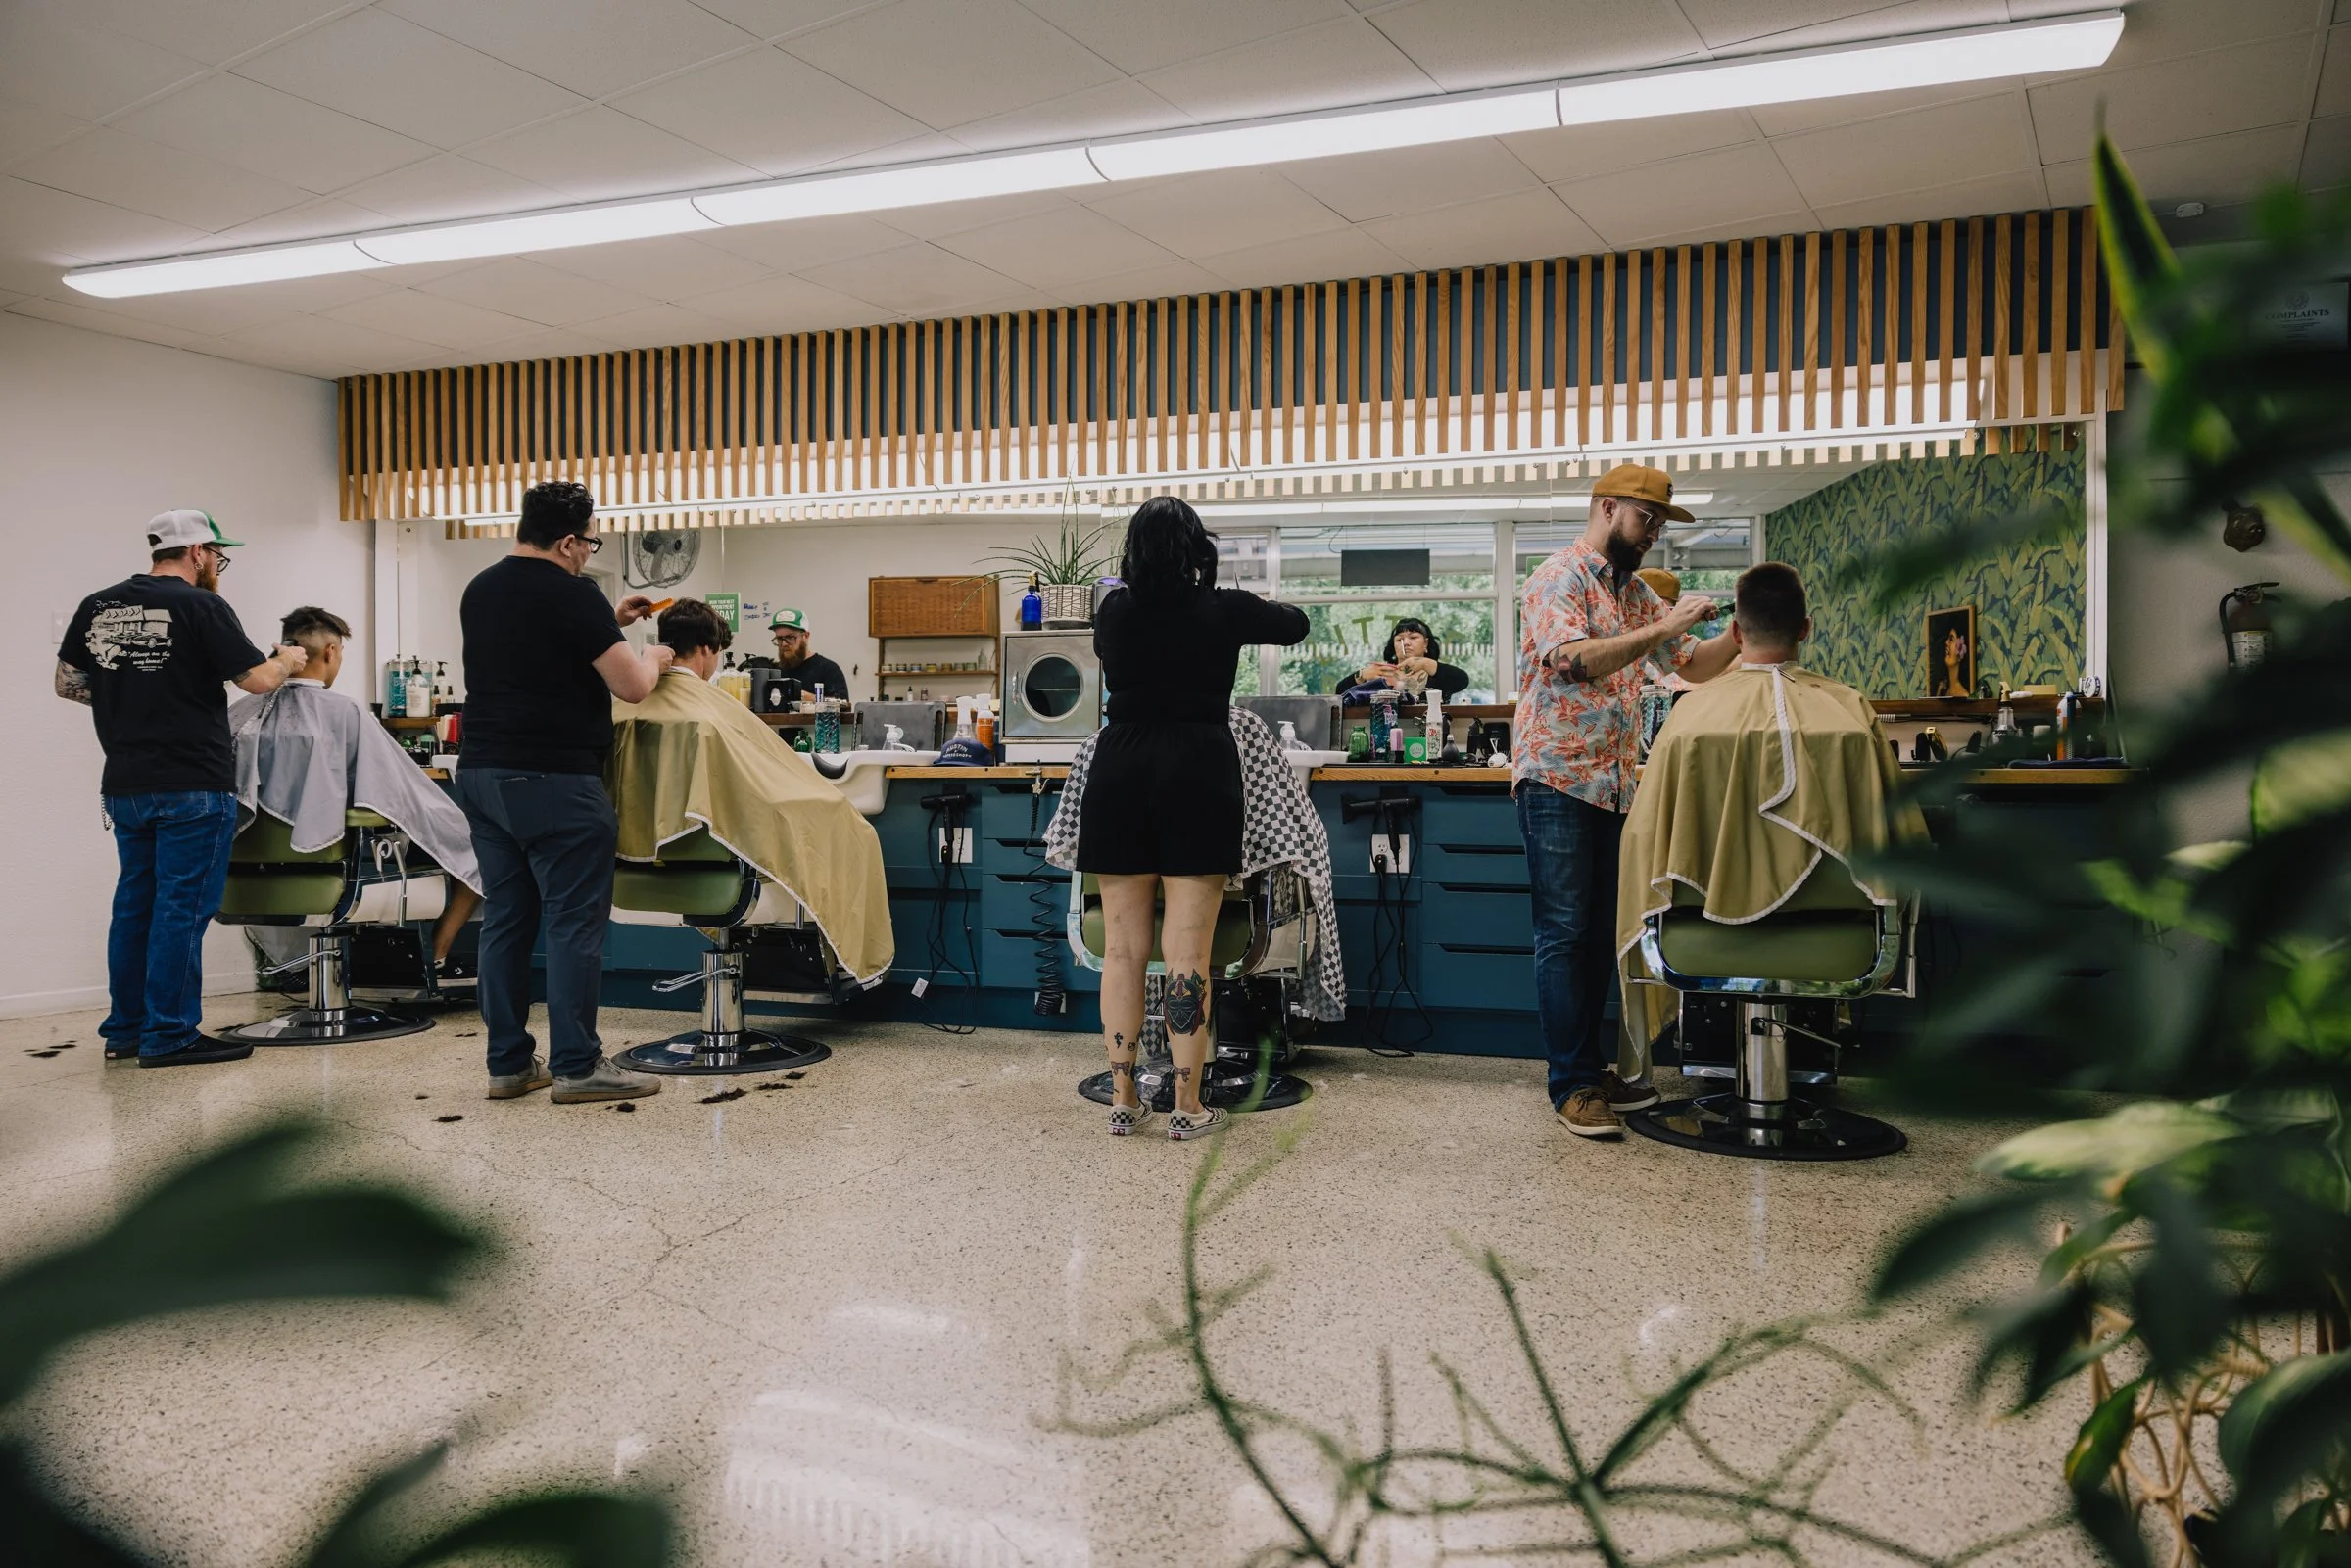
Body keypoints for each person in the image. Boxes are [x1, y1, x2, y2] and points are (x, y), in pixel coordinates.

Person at [1513, 463, 1740, 1140]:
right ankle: (1572, 1084)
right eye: (1647, 519)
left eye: (1662, 524)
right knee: (1563, 935)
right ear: (1608, 508)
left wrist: (1740, 629)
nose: (1654, 534)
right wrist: (1667, 625)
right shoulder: (1560, 576)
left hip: (1613, 783)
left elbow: (1690, 661)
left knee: (1599, 941)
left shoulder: (1632, 590)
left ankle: (1590, 1070)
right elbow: (1574, 659)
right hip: (1557, 777)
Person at [1614, 563, 1913, 1062]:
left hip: (1701, 929)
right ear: (1805, 628)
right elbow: (1900, 835)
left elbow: (1644, 844)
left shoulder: (1690, 720)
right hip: (1837, 935)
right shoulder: (1850, 714)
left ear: (1734, 633)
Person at [1080, 497, 1310, 1140]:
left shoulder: (1114, 611)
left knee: (1124, 950)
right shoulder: (1223, 608)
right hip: (1198, 775)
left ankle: (1124, 1097)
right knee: (1189, 951)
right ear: (1197, 549)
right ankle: (1186, 1105)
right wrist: (1231, 593)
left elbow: (1117, 644)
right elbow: (1296, 624)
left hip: (1119, 770)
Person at [55, 509, 308, 1068]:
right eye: (218, 554)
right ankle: (170, 1034)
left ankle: (125, 1031)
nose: (219, 564)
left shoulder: (99, 605)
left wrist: (135, 697)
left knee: (135, 908)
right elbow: (258, 680)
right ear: (197, 551)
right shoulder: (201, 604)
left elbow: (67, 684)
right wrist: (287, 658)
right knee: (181, 909)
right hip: (193, 780)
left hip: (126, 784)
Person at [454, 480, 673, 1105]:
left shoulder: (483, 585)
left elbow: (535, 647)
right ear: (571, 539)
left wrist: (609, 618)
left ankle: (508, 1065)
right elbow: (632, 687)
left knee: (505, 921)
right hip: (553, 778)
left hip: (482, 774)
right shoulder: (573, 593)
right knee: (575, 926)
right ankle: (578, 1066)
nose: (587, 554)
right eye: (589, 543)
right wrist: (653, 653)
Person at [605, 600, 892, 983]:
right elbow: (754, 796)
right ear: (708, 650)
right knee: (855, 831)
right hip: (723, 869)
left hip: (630, 869)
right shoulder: (706, 717)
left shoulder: (624, 710)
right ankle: (852, 965)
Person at [229, 606, 483, 974]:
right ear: (330, 652)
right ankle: (437, 959)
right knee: (477, 846)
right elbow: (402, 793)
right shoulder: (345, 712)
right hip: (325, 863)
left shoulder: (242, 714)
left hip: (247, 870)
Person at [1333, 616, 1471, 700]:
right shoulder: (1382, 674)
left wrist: (1425, 664)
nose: (1405, 643)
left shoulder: (1436, 674)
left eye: (1413, 637)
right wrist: (1362, 675)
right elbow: (1340, 694)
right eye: (1399, 639)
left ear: (1426, 644)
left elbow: (1462, 680)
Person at [767, 608, 850, 704]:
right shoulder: (776, 673)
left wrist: (810, 698)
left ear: (806, 636)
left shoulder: (828, 669)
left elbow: (844, 704)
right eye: (779, 638)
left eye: (790, 637)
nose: (784, 644)